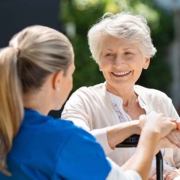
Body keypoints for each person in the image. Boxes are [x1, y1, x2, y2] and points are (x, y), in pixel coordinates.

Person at [0, 25, 177, 180]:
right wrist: (150, 134)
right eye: (71, 73)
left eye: (128, 53)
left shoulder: (13, 129)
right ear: (57, 80)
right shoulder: (63, 139)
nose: (118, 62)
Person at [61, 12, 180, 179]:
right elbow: (74, 147)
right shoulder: (83, 100)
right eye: (109, 54)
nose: (118, 63)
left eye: (128, 53)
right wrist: (140, 127)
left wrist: (173, 174)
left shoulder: (159, 100)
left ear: (146, 60)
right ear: (98, 60)